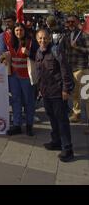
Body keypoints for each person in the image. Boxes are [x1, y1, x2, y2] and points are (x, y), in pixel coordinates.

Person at [35, 29, 75, 162]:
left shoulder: (56, 50)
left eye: (45, 38)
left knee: (62, 121)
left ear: (49, 38)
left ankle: (68, 149)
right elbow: (39, 72)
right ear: (37, 39)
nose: (42, 40)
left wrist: (66, 90)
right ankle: (56, 141)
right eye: (40, 38)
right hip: (46, 93)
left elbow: (65, 71)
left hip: (58, 93)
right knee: (52, 119)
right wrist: (40, 89)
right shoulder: (38, 52)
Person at [5, 23, 38, 136]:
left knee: (29, 101)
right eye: (17, 30)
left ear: (25, 31)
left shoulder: (31, 42)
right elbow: (10, 56)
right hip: (14, 76)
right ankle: (17, 125)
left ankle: (29, 125)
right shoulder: (11, 42)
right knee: (15, 100)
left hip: (26, 76)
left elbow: (38, 56)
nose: (19, 32)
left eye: (21, 30)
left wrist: (29, 53)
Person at [62, 14, 89, 128]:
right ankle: (76, 114)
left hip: (83, 68)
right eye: (68, 22)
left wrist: (77, 47)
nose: (70, 24)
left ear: (78, 21)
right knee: (75, 94)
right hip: (71, 69)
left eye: (73, 21)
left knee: (86, 97)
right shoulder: (66, 35)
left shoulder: (83, 35)